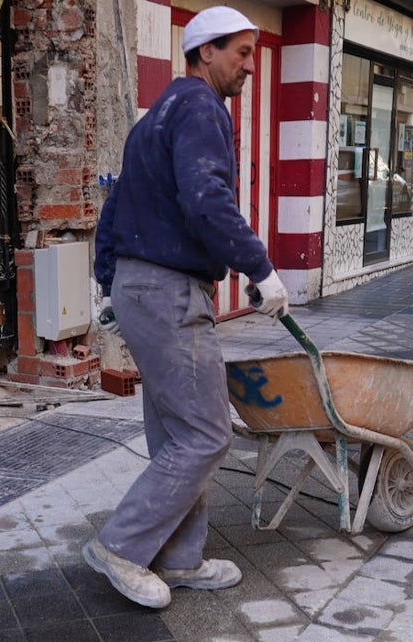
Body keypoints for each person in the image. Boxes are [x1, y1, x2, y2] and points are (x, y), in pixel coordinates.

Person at [86, 5, 288, 608]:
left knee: (176, 430)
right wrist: (261, 268)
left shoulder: (156, 117)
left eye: (253, 53)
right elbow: (208, 199)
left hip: (141, 285)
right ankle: (122, 546)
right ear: (205, 52)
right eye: (241, 53)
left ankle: (178, 558)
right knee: (205, 433)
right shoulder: (203, 109)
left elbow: (116, 207)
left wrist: (107, 282)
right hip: (169, 291)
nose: (249, 66)